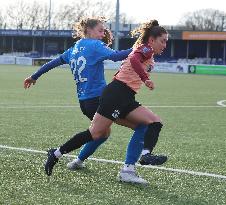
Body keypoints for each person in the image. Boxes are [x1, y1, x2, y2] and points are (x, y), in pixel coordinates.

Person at [25, 17, 167, 184]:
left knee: (103, 133)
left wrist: (35, 76)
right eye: (100, 30)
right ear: (88, 31)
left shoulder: (74, 49)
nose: (103, 34)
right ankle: (61, 153)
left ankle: (77, 160)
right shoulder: (94, 45)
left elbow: (55, 62)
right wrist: (139, 48)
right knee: (102, 132)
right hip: (100, 98)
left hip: (85, 101)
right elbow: (116, 56)